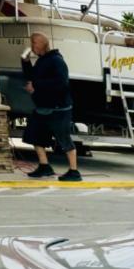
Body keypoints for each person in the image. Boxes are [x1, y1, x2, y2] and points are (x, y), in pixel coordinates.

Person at [22, 33, 81, 182]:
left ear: (40, 44)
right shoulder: (42, 61)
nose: (32, 46)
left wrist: (36, 85)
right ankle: (44, 166)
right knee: (35, 136)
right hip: (43, 107)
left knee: (64, 139)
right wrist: (25, 62)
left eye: (33, 43)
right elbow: (32, 76)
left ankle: (74, 171)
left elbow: (61, 82)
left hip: (59, 108)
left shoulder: (56, 60)